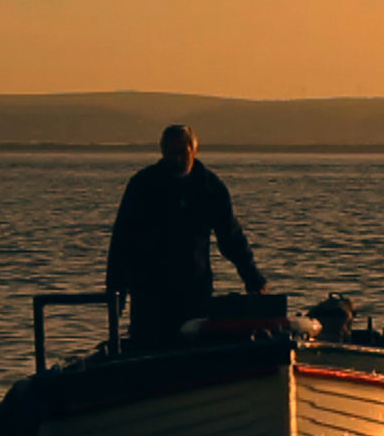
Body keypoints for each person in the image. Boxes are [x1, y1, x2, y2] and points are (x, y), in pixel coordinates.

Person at [106, 124, 266, 346]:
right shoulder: (143, 186)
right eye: (171, 153)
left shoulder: (210, 187)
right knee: (148, 348)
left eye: (182, 152)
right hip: (150, 293)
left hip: (194, 291)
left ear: (194, 150)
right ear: (163, 153)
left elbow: (231, 237)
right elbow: (122, 242)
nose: (177, 158)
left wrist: (253, 279)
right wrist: (115, 293)